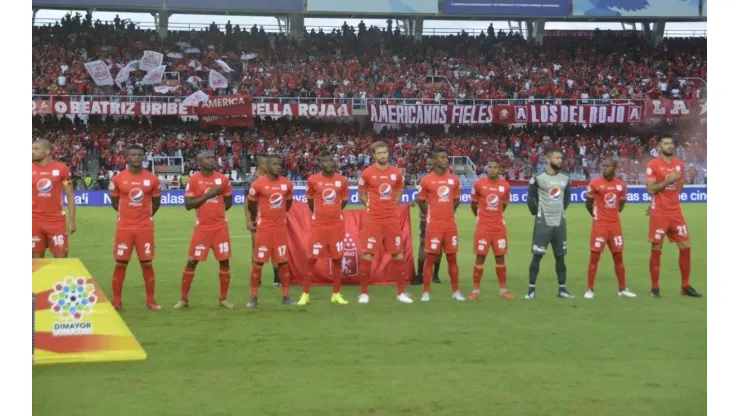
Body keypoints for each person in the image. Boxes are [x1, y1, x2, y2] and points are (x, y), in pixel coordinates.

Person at [175, 151, 235, 309]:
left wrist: (217, 212)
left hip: (220, 228)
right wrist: (209, 195)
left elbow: (228, 202)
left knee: (224, 261)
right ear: (199, 162)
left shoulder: (223, 179)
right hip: (202, 228)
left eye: (212, 157)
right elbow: (188, 205)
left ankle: (223, 299)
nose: (212, 160)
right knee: (192, 261)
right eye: (207, 158)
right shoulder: (194, 180)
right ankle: (183, 299)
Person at [645, 136, 702, 297]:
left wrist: (672, 198)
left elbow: (680, 186)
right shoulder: (653, 165)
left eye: (671, 143)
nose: (670, 146)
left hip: (675, 212)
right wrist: (667, 181)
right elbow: (651, 189)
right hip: (659, 214)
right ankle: (655, 288)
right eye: (666, 143)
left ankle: (685, 286)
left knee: (686, 247)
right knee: (656, 248)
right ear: (659, 147)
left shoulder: (679, 164)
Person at [357, 141, 413, 304]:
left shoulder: (396, 173)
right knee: (368, 253)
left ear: (388, 153)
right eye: (379, 153)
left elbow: (399, 191)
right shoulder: (367, 173)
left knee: (398, 254)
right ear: (373, 155)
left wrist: (392, 207)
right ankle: (364, 294)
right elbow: (361, 194)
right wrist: (370, 206)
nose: (382, 155)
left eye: (385, 152)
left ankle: (401, 293)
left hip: (390, 220)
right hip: (373, 219)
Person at [108, 145, 162, 310]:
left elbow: (156, 203)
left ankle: (151, 301)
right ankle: (116, 301)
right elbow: (115, 201)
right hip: (124, 227)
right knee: (121, 263)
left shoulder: (152, 179)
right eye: (133, 154)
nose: (136, 157)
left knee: (147, 263)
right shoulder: (118, 179)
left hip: (144, 227)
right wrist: (125, 215)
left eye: (139, 154)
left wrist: (144, 216)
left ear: (143, 157)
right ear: (127, 157)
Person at [297, 151, 350, 306]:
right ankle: (305, 294)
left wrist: (334, 212)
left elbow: (344, 201)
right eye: (325, 161)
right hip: (319, 226)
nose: (328, 163)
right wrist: (318, 215)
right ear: (320, 164)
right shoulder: (313, 180)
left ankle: (336, 294)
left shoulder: (342, 181)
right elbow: (310, 199)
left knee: (337, 259)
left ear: (334, 162)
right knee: (311, 259)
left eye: (330, 160)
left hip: (336, 226)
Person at [246, 154, 296, 307]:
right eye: (275, 164)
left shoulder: (287, 184)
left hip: (280, 230)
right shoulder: (257, 184)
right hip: (264, 230)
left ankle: (286, 296)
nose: (278, 167)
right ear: (267, 166)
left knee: (283, 263)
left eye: (280, 164)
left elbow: (288, 205)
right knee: (258, 263)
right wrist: (256, 219)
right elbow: (251, 206)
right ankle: (253, 297)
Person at [525, 148, 574, 300]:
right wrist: (537, 214)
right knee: (537, 256)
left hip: (559, 223)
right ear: (548, 159)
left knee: (560, 257)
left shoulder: (565, 178)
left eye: (561, 158)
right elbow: (530, 199)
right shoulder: (538, 177)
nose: (560, 160)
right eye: (557, 157)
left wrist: (559, 212)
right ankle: (531, 290)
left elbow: (566, 199)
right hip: (543, 223)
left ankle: (562, 289)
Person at [584, 158, 636, 298]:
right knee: (594, 257)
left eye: (608, 166)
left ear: (614, 168)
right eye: (603, 166)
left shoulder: (621, 185)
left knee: (618, 256)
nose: (604, 168)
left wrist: (611, 215)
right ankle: (590, 289)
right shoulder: (595, 183)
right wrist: (597, 216)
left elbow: (621, 206)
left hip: (615, 226)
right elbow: (588, 204)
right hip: (599, 225)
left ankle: (622, 289)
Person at [416, 149, 463, 301]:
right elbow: (421, 201)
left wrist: (449, 212)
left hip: (450, 226)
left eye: (446, 157)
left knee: (452, 259)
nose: (445, 160)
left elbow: (456, 200)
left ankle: (456, 292)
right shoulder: (426, 180)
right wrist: (431, 214)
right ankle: (426, 292)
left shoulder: (454, 180)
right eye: (442, 157)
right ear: (435, 161)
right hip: (434, 226)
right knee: (430, 258)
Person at [469, 160, 514, 300]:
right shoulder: (478, 184)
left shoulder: (505, 186)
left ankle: (503, 291)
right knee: (480, 257)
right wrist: (482, 218)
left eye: (495, 167)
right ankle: (475, 291)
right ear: (486, 169)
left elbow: (503, 206)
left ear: (500, 169)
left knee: (500, 257)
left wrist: (495, 216)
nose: (492, 170)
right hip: (483, 227)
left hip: (499, 228)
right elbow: (473, 205)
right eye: (490, 167)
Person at [32, 139, 76, 258]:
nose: (32, 152)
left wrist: (72, 220)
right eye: (31, 149)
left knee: (61, 260)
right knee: (36, 263)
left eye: (36, 149)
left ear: (47, 151)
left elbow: (70, 195)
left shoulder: (62, 169)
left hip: (56, 221)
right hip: (34, 221)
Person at [244, 153, 281, 287]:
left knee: (275, 248)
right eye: (268, 163)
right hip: (257, 219)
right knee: (256, 248)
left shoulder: (275, 179)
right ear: (261, 165)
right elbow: (246, 202)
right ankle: (256, 277)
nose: (272, 166)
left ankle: (277, 277)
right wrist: (248, 220)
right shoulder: (251, 180)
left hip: (274, 220)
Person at [411, 157, 441, 285]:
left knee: (438, 245)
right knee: (423, 243)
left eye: (430, 163)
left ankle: (435, 275)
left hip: (439, 217)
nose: (428, 165)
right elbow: (422, 196)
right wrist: (416, 201)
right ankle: (420, 275)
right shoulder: (424, 180)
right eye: (427, 163)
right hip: (425, 216)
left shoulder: (443, 179)